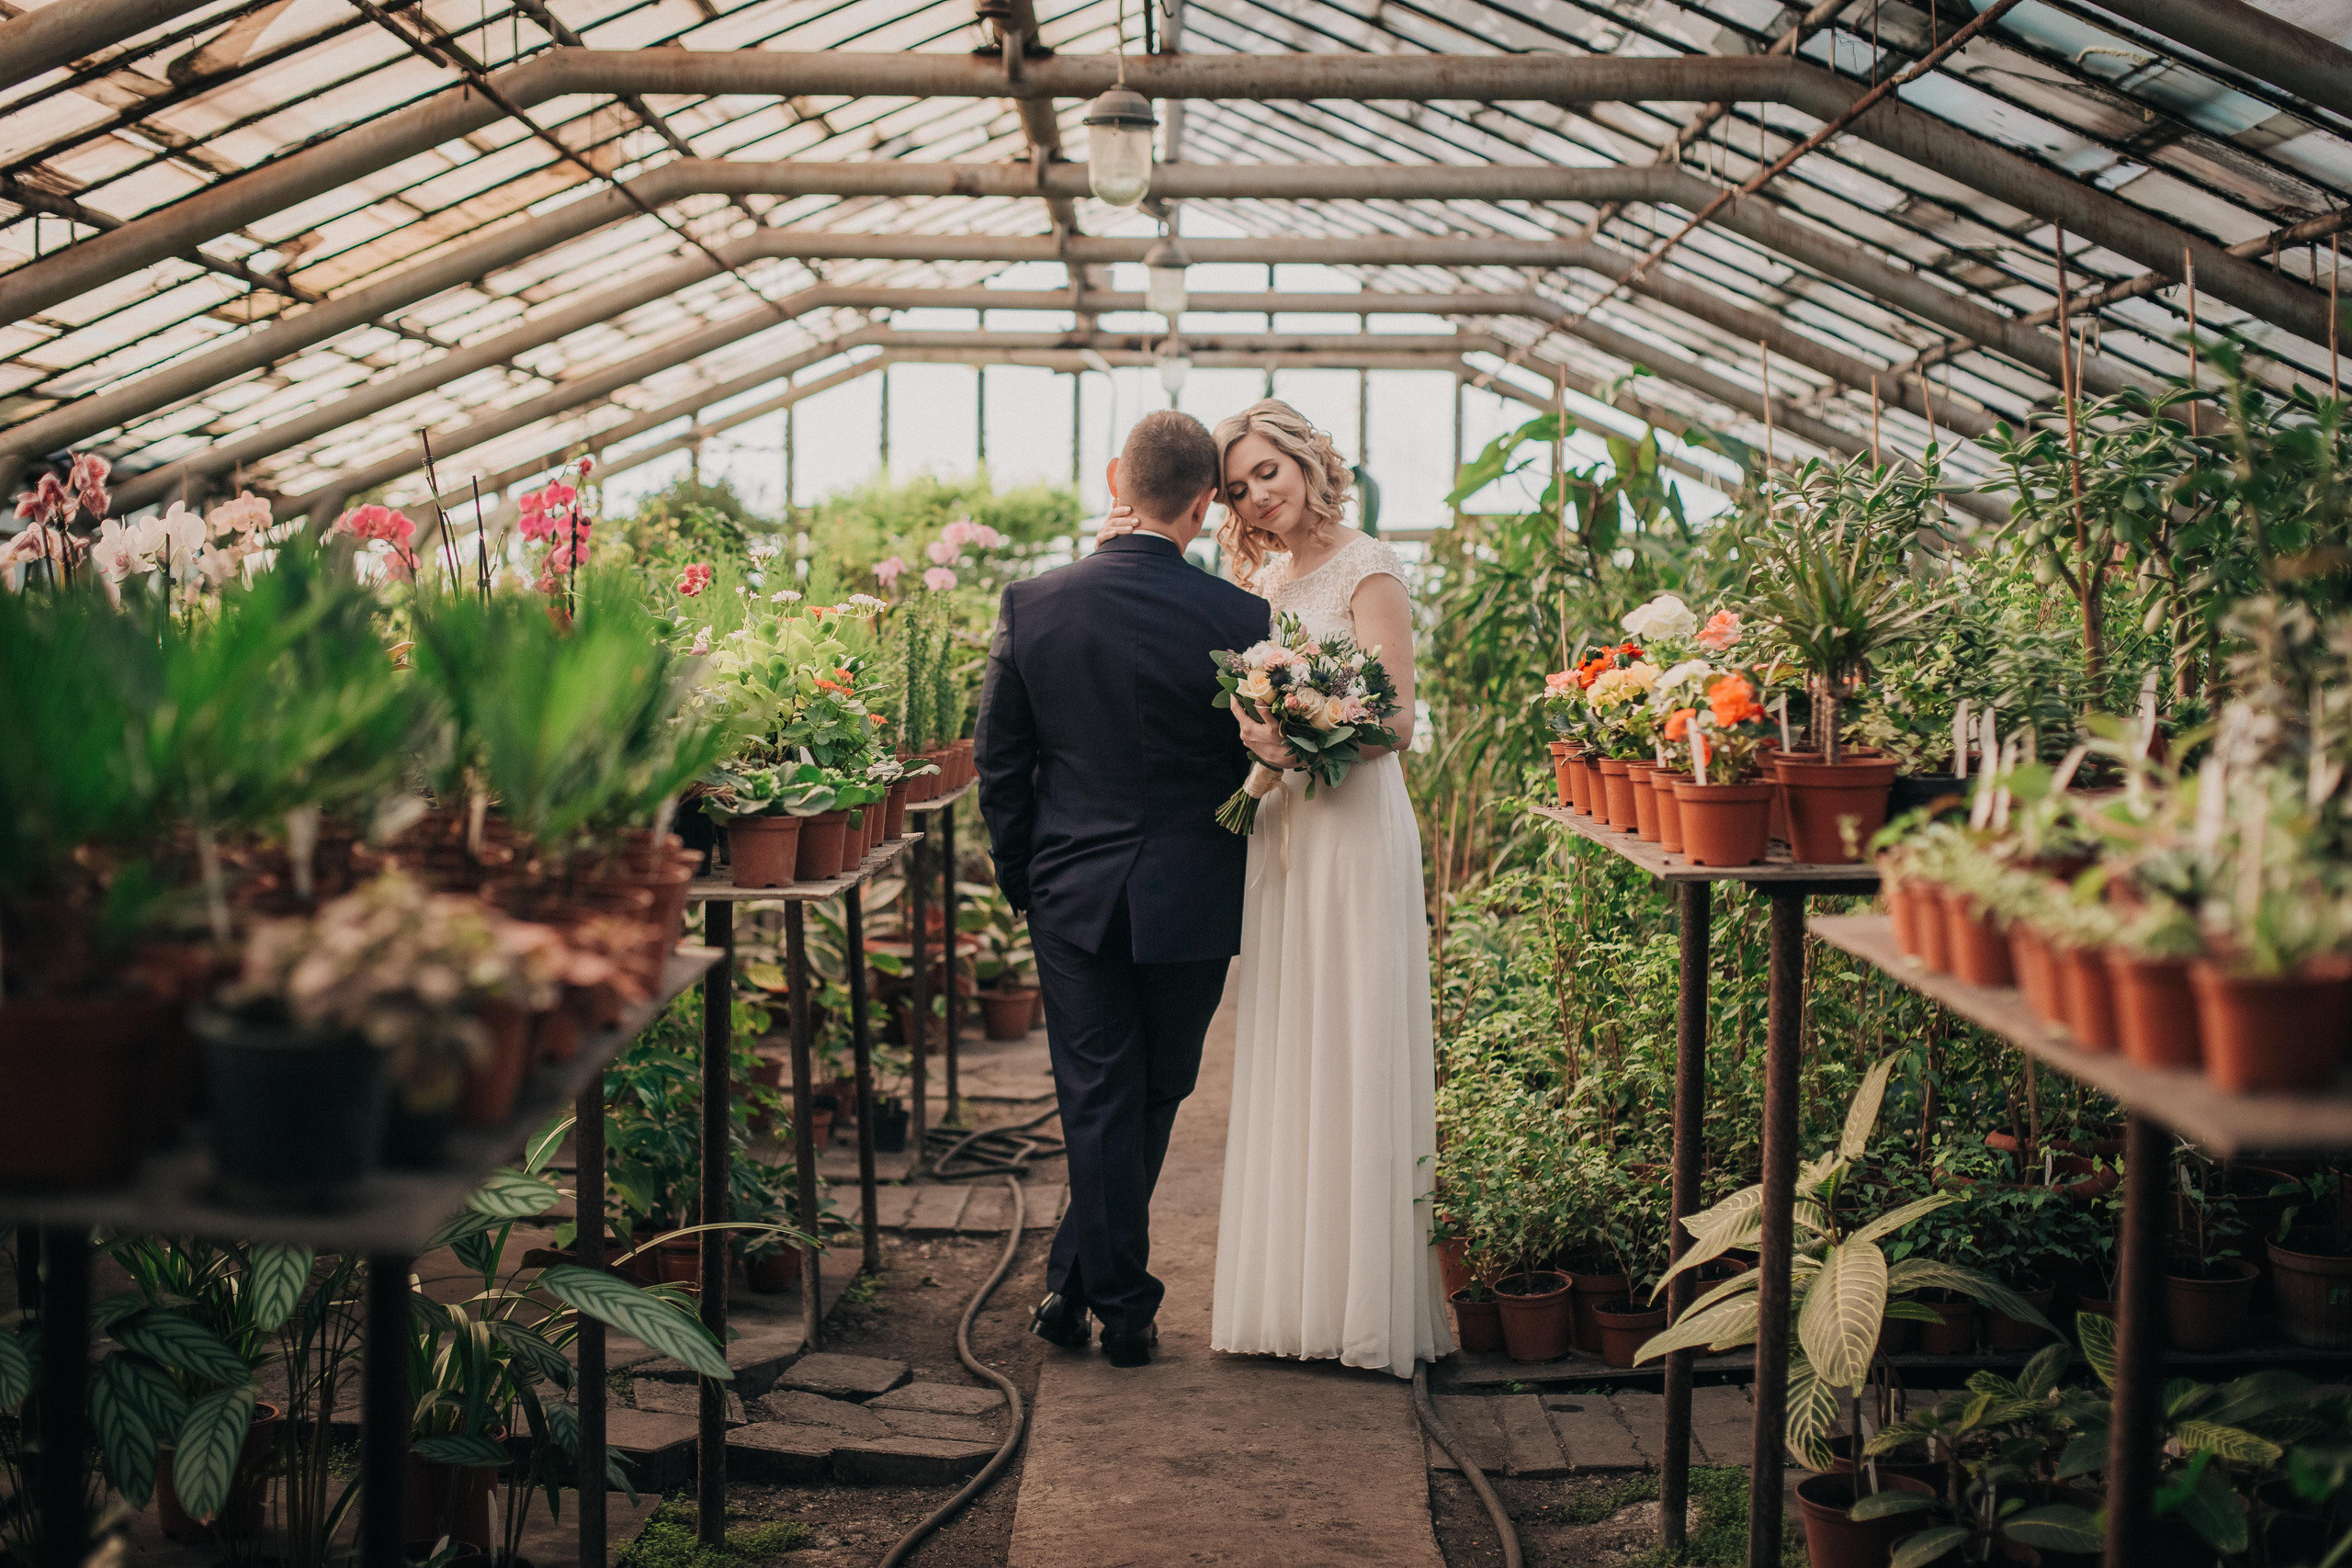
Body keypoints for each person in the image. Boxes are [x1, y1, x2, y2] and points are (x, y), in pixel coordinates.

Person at [1095, 398, 1453, 1379]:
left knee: (1355, 1037)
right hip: (1287, 825)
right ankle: (1290, 1302)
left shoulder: (1369, 566)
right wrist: (1262, 752)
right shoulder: (1265, 580)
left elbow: (1398, 724)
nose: (1258, 495)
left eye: (1269, 473)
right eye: (1241, 484)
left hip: (1353, 825)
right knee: (1292, 1041)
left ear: (1305, 461)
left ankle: (1363, 1308)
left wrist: (1299, 732)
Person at [973, 410, 1270, 1370]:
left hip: (1072, 890)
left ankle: (1076, 1285)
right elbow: (1255, 759)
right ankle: (1125, 1304)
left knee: (1103, 1094)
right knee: (1152, 1091)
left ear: (1116, 480)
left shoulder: (1033, 604)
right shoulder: (1241, 621)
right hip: (1194, 891)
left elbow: (999, 764)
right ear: (1202, 503)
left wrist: (1025, 877)